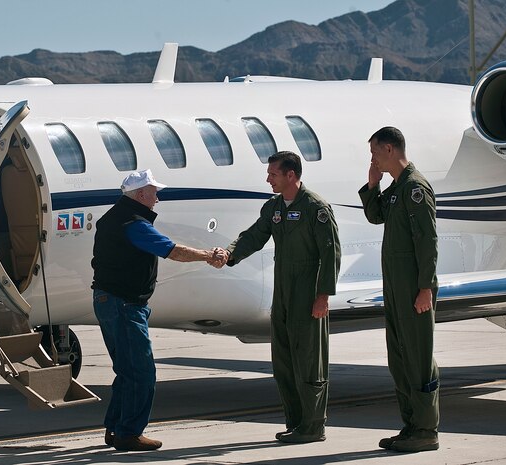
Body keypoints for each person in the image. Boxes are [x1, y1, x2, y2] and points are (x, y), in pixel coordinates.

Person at [91, 169, 226, 452]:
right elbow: (172, 251)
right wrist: (208, 255)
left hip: (110, 301)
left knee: (127, 370)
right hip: (125, 306)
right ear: (141, 195)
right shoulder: (134, 224)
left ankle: (116, 428)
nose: (157, 198)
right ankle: (129, 434)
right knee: (142, 373)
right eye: (154, 192)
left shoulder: (113, 218)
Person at [219, 150, 341, 443]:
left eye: (273, 174)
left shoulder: (315, 208)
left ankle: (313, 426)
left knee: (309, 362)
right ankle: (296, 423)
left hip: (308, 293)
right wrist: (229, 253)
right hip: (284, 293)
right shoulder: (274, 207)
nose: (268, 179)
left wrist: (323, 296)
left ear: (291, 175)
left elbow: (331, 253)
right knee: (284, 362)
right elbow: (255, 235)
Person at [358, 126, 440, 453]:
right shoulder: (395, 189)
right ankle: (411, 426)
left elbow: (428, 242)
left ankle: (426, 430)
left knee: (418, 360)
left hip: (413, 290)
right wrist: (372, 185)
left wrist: (425, 288)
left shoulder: (416, 188)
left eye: (375, 152)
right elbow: (375, 216)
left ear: (390, 149)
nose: (373, 158)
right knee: (400, 359)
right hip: (395, 288)